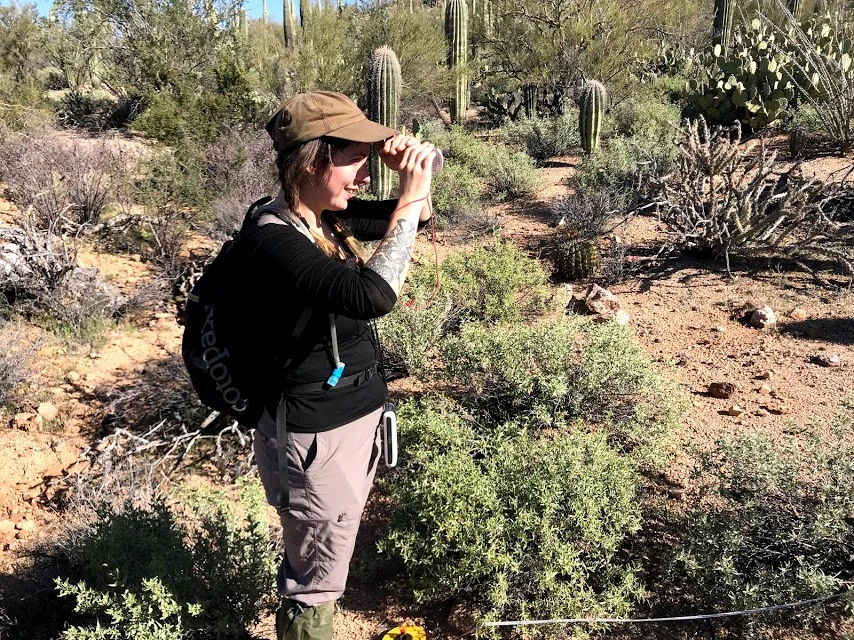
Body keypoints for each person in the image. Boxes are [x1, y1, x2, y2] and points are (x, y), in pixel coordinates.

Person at [218, 91, 436, 640]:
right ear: (315, 160)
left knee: (327, 559)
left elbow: (412, 221)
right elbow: (374, 295)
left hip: (348, 422)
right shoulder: (274, 241)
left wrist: (410, 179)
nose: (364, 173)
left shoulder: (319, 217)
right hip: (317, 438)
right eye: (354, 158)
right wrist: (407, 198)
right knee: (314, 582)